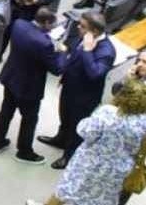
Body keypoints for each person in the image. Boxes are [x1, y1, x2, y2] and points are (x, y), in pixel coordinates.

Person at [33, 81, 146, 205]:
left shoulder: (108, 112)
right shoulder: (144, 123)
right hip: (118, 171)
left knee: (67, 190)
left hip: (90, 164)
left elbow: (86, 132)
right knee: (100, 199)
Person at [39, 11, 116, 169]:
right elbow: (74, 55)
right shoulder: (86, 36)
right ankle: (60, 139)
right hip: (70, 87)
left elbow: (95, 74)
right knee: (65, 118)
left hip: (84, 97)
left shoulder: (106, 51)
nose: (78, 27)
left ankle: (69, 156)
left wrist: (87, 50)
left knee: (77, 127)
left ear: (94, 31)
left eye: (82, 26)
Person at [0, 8, 65, 164]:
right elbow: (57, 69)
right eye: (52, 24)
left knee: (6, 110)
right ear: (46, 23)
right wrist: (60, 51)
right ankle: (24, 151)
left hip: (11, 77)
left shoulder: (19, 24)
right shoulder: (45, 44)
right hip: (29, 86)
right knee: (29, 119)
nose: (53, 27)